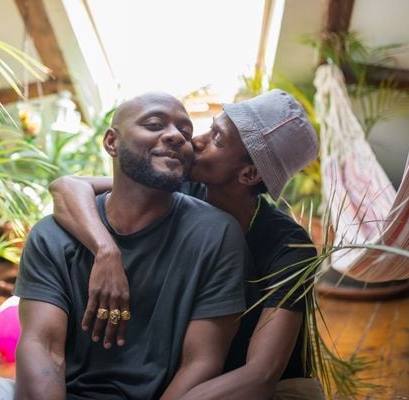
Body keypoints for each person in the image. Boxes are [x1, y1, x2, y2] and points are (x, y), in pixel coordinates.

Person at [0, 92, 248, 400]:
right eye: (154, 125)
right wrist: (107, 250)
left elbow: (201, 363)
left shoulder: (215, 234)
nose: (176, 136)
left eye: (185, 131)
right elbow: (44, 350)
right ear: (111, 142)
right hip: (57, 393)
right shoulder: (53, 235)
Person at [49, 89, 324, 399]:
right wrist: (105, 251)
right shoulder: (182, 190)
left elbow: (260, 374)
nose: (196, 141)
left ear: (249, 174)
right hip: (183, 378)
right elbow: (67, 188)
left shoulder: (288, 248)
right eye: (209, 127)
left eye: (217, 139)